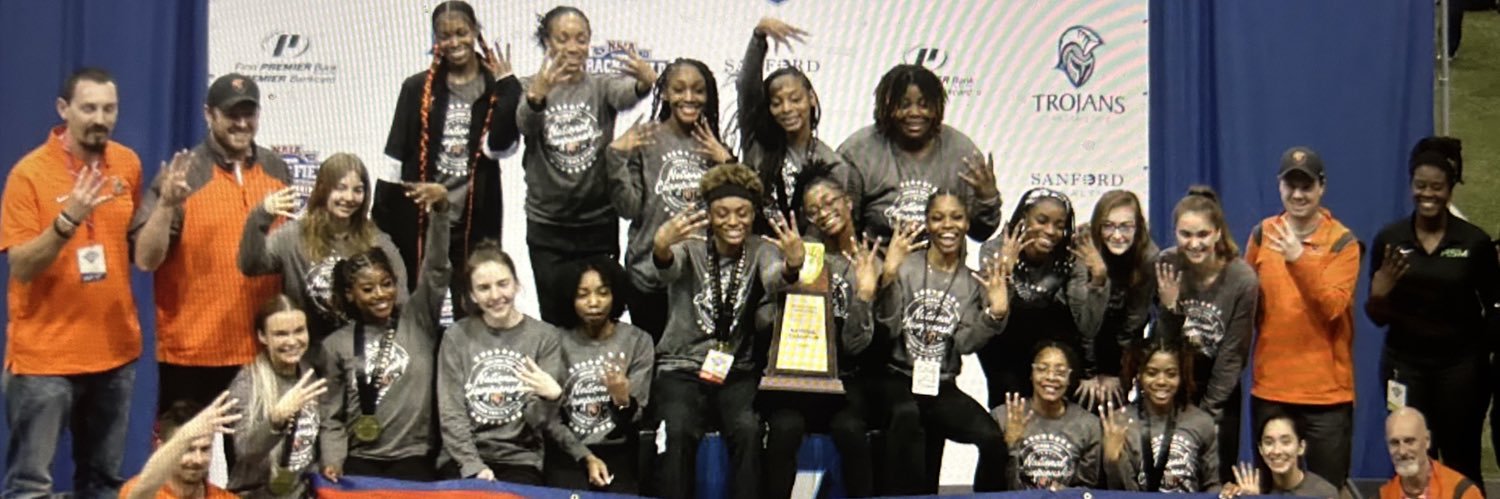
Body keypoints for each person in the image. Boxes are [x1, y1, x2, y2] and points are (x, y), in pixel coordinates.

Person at [1, 67, 142, 499]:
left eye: (109, 109)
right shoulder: (29, 175)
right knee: (30, 486)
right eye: (89, 108)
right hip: (45, 360)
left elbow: (134, 248)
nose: (100, 118)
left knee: (102, 484)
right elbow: (22, 265)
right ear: (64, 109)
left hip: (114, 355)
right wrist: (67, 221)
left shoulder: (127, 164)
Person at [132, 74, 291, 416]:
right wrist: (166, 205)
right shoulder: (184, 175)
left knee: (257, 452)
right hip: (192, 355)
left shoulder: (277, 169)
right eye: (232, 114)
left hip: (259, 354)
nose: (242, 123)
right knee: (185, 451)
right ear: (209, 114)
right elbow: (145, 259)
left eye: (249, 114)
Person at [649, 163, 803, 499]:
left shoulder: (761, 249)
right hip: (681, 366)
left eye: (742, 213)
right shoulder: (690, 245)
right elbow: (667, 271)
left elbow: (773, 279)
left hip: (736, 369)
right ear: (709, 214)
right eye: (722, 213)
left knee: (748, 430)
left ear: (753, 214)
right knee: (678, 430)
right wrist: (660, 248)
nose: (733, 221)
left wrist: (792, 265)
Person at [1367, 136, 1500, 486]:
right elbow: (1376, 316)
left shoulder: (1474, 243)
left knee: (1461, 458)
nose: (1427, 194)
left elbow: (1495, 307)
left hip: (1460, 370)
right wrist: (1378, 295)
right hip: (1405, 367)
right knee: (1410, 458)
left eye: (1437, 187)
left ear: (1450, 189)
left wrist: (1480, 354)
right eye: (1420, 185)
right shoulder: (1390, 240)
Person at [378, 0, 520, 321]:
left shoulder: (494, 85)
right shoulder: (417, 88)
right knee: (418, 307)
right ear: (436, 40)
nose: (454, 42)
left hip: (476, 218)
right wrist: (382, 222)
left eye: (461, 33)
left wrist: (509, 87)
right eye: (445, 36)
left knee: (473, 306)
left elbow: (499, 147)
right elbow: (395, 155)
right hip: (423, 219)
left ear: (475, 32)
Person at [518, 5, 657, 325]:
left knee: (600, 318)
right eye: (563, 38)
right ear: (547, 42)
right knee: (556, 320)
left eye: (581, 39)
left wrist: (644, 84)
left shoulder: (601, 85)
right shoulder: (528, 86)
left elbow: (626, 95)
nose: (573, 47)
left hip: (597, 224)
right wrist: (537, 96)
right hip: (548, 227)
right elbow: (525, 124)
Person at [876, 191, 1009, 494]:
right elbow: (888, 328)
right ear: (927, 223)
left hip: (941, 384)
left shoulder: (972, 281)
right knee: (907, 417)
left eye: (956, 217)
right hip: (898, 378)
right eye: (938, 218)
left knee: (991, 439)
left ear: (967, 223)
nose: (947, 225)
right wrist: (888, 278)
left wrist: (994, 314)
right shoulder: (906, 266)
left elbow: (965, 344)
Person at [1245, 146, 1360, 490]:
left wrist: (1298, 260)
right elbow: (1248, 302)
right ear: (1279, 186)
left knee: (1325, 491)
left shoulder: (1342, 242)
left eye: (1306, 186)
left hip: (1326, 398)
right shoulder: (1262, 235)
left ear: (1321, 187)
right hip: (1272, 390)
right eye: (1290, 185)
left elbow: (1332, 306)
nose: (1298, 195)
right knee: (1271, 491)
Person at [759, 172, 880, 498]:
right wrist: (790, 274)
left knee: (851, 430)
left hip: (845, 381)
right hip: (794, 380)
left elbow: (855, 345)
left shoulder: (871, 261)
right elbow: (762, 318)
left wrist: (864, 296)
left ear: (848, 201)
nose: (824, 213)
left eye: (829, 202)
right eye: (813, 210)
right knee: (784, 428)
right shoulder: (800, 252)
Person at [318, 186, 448, 481]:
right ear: (350, 294)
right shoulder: (335, 345)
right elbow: (331, 416)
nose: (380, 294)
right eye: (367, 289)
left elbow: (436, 270)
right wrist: (333, 460)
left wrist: (441, 212)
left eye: (386, 284)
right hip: (360, 457)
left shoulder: (418, 321)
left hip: (413, 456)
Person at [605, 57, 733, 338]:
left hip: (697, 278)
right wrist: (615, 157)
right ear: (664, 93)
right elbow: (628, 208)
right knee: (651, 358)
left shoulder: (715, 145)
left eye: (698, 90)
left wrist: (727, 161)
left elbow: (738, 212)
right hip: (648, 276)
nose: (689, 98)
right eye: (679, 89)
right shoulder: (646, 139)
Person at [238, 153, 408, 342]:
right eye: (341, 188)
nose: (349, 197)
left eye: (358, 190)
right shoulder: (292, 237)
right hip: (306, 349)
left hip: (362, 350)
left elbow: (401, 298)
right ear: (322, 189)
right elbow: (250, 266)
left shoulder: (376, 240)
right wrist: (260, 216)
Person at [437, 241, 566, 484]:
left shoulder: (545, 337)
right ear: (472, 295)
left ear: (516, 284)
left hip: (519, 460)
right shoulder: (456, 336)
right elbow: (451, 413)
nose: (495, 295)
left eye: (503, 284)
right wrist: (473, 466)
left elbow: (539, 422)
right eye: (484, 288)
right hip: (461, 458)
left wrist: (550, 398)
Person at [1156, 186, 1259, 482]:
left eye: (1203, 234)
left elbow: (1233, 354)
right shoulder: (1166, 264)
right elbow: (1164, 347)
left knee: (1215, 477)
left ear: (1217, 233)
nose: (1194, 243)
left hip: (1220, 387)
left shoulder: (1242, 279)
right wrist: (1170, 308)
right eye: (1185, 234)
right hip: (1173, 383)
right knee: (1172, 475)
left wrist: (1207, 414)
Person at [838, 64, 1001, 243]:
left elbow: (981, 233)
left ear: (937, 108)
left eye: (924, 105)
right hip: (878, 257)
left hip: (943, 258)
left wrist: (987, 199)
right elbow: (841, 229)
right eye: (904, 105)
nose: (914, 113)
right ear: (886, 108)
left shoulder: (962, 153)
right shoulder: (858, 152)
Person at [977, 188, 1107, 406]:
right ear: (1023, 218)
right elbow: (993, 318)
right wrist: (1006, 273)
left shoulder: (1071, 256)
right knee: (1009, 395)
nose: (1050, 231)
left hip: (1055, 344)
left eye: (1059, 225)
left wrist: (1098, 280)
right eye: (1042, 220)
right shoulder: (995, 249)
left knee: (1085, 397)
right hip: (1005, 343)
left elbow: (1087, 326)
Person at [544, 259, 655, 493]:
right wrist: (585, 457)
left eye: (603, 293)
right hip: (568, 452)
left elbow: (637, 417)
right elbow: (550, 420)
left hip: (619, 451)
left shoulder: (638, 341)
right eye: (582, 295)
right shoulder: (553, 341)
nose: (594, 303)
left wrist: (622, 400)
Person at [734, 17, 847, 235]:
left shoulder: (832, 162)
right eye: (776, 103)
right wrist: (758, 37)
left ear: (811, 98)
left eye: (795, 99)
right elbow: (746, 87)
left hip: (808, 250)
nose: (787, 109)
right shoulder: (757, 143)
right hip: (758, 247)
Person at [226, 295, 331, 498]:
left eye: (299, 331)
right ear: (262, 336)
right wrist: (275, 421)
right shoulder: (246, 383)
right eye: (281, 334)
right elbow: (245, 452)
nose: (292, 341)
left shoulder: (310, 373)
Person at [1101, 337, 1217, 493]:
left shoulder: (1201, 422)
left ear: (1181, 377)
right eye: (1152, 373)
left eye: (1171, 374)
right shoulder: (1120, 423)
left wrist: (1230, 492)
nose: (1161, 381)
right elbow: (1120, 493)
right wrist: (1112, 461)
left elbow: (1213, 486)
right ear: (1139, 375)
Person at [1076, 190, 1158, 409]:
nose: (1117, 235)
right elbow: (1081, 322)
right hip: (1080, 340)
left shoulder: (1148, 256)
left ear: (1138, 227)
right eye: (1108, 226)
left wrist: (1114, 372)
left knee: (1112, 403)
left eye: (1126, 226)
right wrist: (1088, 372)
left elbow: (1133, 323)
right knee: (1084, 400)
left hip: (1120, 345)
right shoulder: (1083, 245)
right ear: (1097, 226)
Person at [994, 342, 1101, 490]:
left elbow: (1087, 491)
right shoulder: (1003, 417)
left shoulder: (1089, 425)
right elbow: (992, 486)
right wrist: (1010, 446)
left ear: (1070, 378)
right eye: (1042, 369)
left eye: (1060, 372)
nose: (1051, 377)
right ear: (1031, 374)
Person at [120, 396, 242, 499]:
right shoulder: (141, 491)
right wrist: (185, 435)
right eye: (188, 449)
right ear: (161, 448)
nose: (198, 459)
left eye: (205, 449)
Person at [1221, 414, 1338, 499]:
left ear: (1301, 447)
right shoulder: (1252, 488)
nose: (1276, 451)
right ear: (1260, 449)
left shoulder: (1323, 493)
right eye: (1269, 442)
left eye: (1286, 442)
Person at [1380, 408, 1482, 499]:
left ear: (1427, 440)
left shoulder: (1461, 493)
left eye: (1409, 441)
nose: (1402, 451)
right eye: (1394, 443)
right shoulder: (1382, 495)